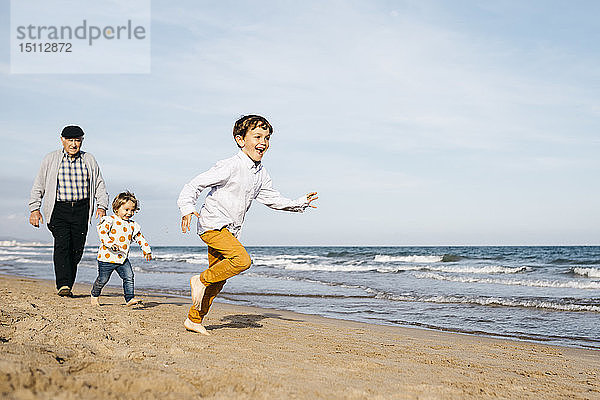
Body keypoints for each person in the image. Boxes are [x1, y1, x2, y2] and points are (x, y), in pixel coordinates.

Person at [178, 114, 318, 335]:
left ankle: (194, 319)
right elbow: (194, 184)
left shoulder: (261, 173)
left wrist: (299, 203)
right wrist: (187, 208)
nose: (263, 141)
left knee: (218, 279)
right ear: (240, 140)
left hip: (230, 230)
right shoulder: (230, 166)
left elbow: (273, 199)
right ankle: (199, 279)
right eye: (257, 136)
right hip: (212, 224)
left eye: (267, 137)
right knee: (242, 261)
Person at [28, 125, 109, 297]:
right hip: (59, 209)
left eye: (77, 141)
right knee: (62, 245)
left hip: (81, 209)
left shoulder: (89, 159)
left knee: (77, 249)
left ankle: (67, 283)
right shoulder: (51, 159)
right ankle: (63, 285)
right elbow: (39, 184)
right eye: (70, 140)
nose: (73, 144)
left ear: (82, 141)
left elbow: (99, 184)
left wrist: (102, 205)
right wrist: (35, 208)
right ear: (62, 140)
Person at [91, 191, 152, 306]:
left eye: (132, 210)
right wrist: (110, 243)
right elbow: (102, 232)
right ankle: (94, 294)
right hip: (106, 258)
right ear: (116, 208)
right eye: (126, 209)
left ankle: (129, 299)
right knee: (103, 279)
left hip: (122, 258)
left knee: (129, 276)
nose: (129, 213)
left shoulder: (132, 225)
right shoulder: (110, 220)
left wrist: (146, 249)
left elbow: (140, 237)